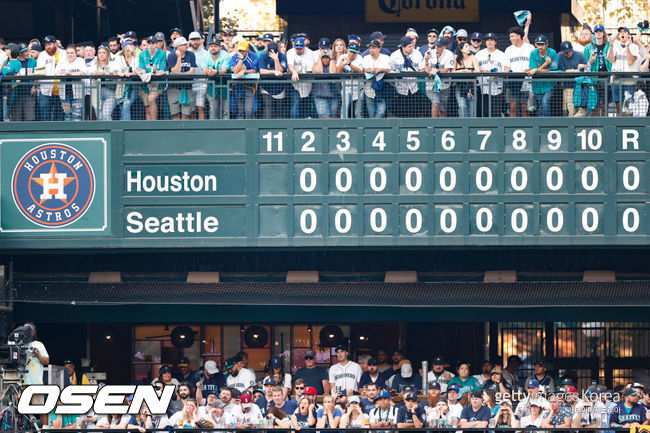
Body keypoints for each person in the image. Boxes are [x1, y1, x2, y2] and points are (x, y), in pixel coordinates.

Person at [606, 26, 642, 114]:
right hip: (616, 80)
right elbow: (611, 60)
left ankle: (628, 125)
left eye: (625, 32)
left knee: (628, 109)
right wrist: (610, 45)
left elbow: (630, 61)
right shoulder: (614, 45)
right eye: (621, 32)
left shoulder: (634, 47)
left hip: (629, 80)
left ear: (628, 35)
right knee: (619, 108)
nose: (622, 33)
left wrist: (627, 47)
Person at [389, 35, 425, 117]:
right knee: (402, 114)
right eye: (409, 46)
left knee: (414, 114)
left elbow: (422, 69)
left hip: (414, 89)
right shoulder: (394, 55)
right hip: (401, 89)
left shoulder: (417, 54)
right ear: (403, 47)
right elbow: (389, 69)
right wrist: (396, 74)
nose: (412, 48)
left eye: (412, 45)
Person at [475, 33, 508, 117]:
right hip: (483, 88)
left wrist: (499, 75)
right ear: (485, 42)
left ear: (495, 42)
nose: (489, 42)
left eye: (491, 40)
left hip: (497, 89)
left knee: (496, 113)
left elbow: (507, 69)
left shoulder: (501, 54)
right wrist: (483, 71)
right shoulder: (479, 54)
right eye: (487, 40)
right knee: (484, 113)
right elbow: (474, 69)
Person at [505, 26, 534, 117]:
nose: (510, 38)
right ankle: (511, 129)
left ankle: (527, 129)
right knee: (512, 108)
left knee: (525, 109)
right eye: (510, 37)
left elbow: (535, 65)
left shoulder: (530, 48)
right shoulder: (508, 49)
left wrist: (530, 69)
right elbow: (506, 67)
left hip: (527, 82)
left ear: (519, 36)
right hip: (513, 82)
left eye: (512, 36)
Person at [136, 35, 167, 120]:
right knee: (147, 108)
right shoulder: (142, 54)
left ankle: (154, 124)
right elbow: (142, 69)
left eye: (153, 43)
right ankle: (148, 128)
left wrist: (154, 71)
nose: (151, 45)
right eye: (149, 43)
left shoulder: (162, 54)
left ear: (156, 44)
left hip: (158, 84)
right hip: (145, 84)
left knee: (151, 98)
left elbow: (162, 70)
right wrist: (139, 71)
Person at [584, 24, 612, 116]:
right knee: (594, 102)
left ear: (604, 33)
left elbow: (613, 61)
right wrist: (591, 61)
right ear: (594, 33)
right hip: (594, 78)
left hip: (606, 77)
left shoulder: (608, 45)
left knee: (605, 103)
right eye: (596, 31)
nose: (598, 33)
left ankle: (604, 122)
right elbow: (585, 66)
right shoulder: (588, 47)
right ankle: (596, 124)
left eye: (600, 31)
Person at [167, 36, 197, 120]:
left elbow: (192, 71)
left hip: (187, 87)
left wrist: (181, 74)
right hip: (174, 88)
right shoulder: (171, 56)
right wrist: (179, 58)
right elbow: (175, 71)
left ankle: (185, 132)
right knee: (175, 114)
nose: (187, 45)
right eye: (184, 44)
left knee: (186, 114)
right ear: (178, 46)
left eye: (186, 44)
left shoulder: (191, 54)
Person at [527, 35, 558, 117]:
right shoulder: (533, 53)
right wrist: (545, 64)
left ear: (546, 44)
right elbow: (533, 70)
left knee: (545, 101)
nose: (540, 46)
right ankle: (540, 126)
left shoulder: (552, 52)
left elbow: (552, 70)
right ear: (535, 44)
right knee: (540, 105)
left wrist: (536, 69)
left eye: (542, 44)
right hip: (537, 84)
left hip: (549, 84)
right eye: (538, 44)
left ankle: (546, 123)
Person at [35, 35, 63, 121]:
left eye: (50, 44)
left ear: (55, 44)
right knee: (45, 115)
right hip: (45, 89)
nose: (48, 47)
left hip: (61, 90)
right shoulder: (42, 55)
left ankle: (59, 134)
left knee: (60, 115)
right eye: (46, 45)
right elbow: (39, 71)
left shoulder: (64, 53)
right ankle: (45, 134)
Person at [424, 37, 455, 117]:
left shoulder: (449, 54)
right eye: (436, 45)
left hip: (444, 85)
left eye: (439, 46)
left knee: (442, 109)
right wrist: (426, 61)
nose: (437, 47)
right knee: (436, 103)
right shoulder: (429, 52)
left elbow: (446, 69)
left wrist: (436, 71)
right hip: (431, 85)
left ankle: (442, 127)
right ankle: (434, 125)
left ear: (444, 46)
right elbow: (427, 70)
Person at [258, 41, 288, 119]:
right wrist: (273, 71)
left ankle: (279, 129)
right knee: (268, 108)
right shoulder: (263, 56)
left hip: (279, 87)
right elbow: (262, 71)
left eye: (274, 51)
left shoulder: (282, 56)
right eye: (270, 51)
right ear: (267, 50)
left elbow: (281, 71)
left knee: (279, 110)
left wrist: (276, 60)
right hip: (266, 87)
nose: (272, 53)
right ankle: (267, 128)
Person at [558, 41, 588, 117]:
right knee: (571, 111)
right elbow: (564, 71)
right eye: (566, 52)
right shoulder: (560, 56)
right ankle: (571, 126)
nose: (568, 54)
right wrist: (577, 70)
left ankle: (573, 123)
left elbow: (588, 67)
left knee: (583, 110)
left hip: (581, 87)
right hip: (569, 87)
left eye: (569, 51)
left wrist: (584, 66)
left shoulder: (579, 55)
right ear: (562, 51)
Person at [287, 36, 314, 118]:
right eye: (297, 48)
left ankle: (305, 126)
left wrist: (297, 72)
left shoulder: (310, 53)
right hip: (295, 84)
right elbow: (290, 65)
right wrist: (294, 72)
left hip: (307, 84)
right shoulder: (290, 52)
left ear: (304, 46)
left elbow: (309, 70)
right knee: (295, 104)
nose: (298, 50)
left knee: (306, 106)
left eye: (300, 48)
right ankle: (293, 126)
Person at [362, 39, 391, 118]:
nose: (371, 49)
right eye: (370, 48)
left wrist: (380, 69)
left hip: (381, 86)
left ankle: (374, 126)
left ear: (379, 48)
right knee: (371, 113)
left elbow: (389, 69)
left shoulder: (385, 57)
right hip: (368, 86)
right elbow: (363, 69)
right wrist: (371, 70)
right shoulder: (366, 58)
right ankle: (373, 128)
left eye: (374, 48)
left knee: (381, 111)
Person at [337, 40, 363, 118]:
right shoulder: (342, 57)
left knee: (357, 113)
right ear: (348, 50)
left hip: (358, 88)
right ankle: (343, 128)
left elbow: (360, 71)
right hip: (346, 88)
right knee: (344, 112)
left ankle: (359, 129)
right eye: (351, 51)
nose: (352, 54)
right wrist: (342, 64)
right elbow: (337, 72)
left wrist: (349, 64)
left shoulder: (360, 58)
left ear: (357, 52)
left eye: (354, 52)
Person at [453, 41, 480, 117]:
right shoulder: (456, 57)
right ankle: (463, 125)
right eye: (466, 46)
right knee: (462, 106)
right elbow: (452, 71)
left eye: (469, 46)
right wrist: (461, 71)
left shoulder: (473, 57)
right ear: (461, 49)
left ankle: (472, 126)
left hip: (472, 85)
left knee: (472, 108)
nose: (469, 48)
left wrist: (470, 71)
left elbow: (477, 70)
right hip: (460, 85)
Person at [188, 31, 210, 120]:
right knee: (191, 110)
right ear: (189, 41)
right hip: (190, 84)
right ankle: (192, 131)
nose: (195, 42)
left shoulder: (205, 53)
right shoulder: (187, 52)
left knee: (200, 107)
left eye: (197, 39)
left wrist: (206, 82)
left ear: (201, 40)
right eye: (193, 40)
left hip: (201, 84)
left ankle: (202, 129)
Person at [114, 40, 139, 120]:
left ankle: (127, 128)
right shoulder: (118, 58)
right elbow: (115, 69)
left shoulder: (136, 58)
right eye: (130, 44)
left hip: (133, 86)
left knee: (126, 105)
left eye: (133, 44)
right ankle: (123, 129)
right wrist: (119, 72)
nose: (133, 46)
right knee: (122, 109)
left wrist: (132, 73)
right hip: (122, 86)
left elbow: (138, 70)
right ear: (125, 47)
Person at [311, 51, 340, 118]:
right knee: (324, 115)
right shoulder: (316, 65)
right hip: (320, 94)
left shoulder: (333, 64)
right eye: (323, 58)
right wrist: (319, 57)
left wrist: (332, 58)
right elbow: (319, 71)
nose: (325, 59)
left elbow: (332, 72)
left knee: (334, 115)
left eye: (327, 58)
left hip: (333, 94)